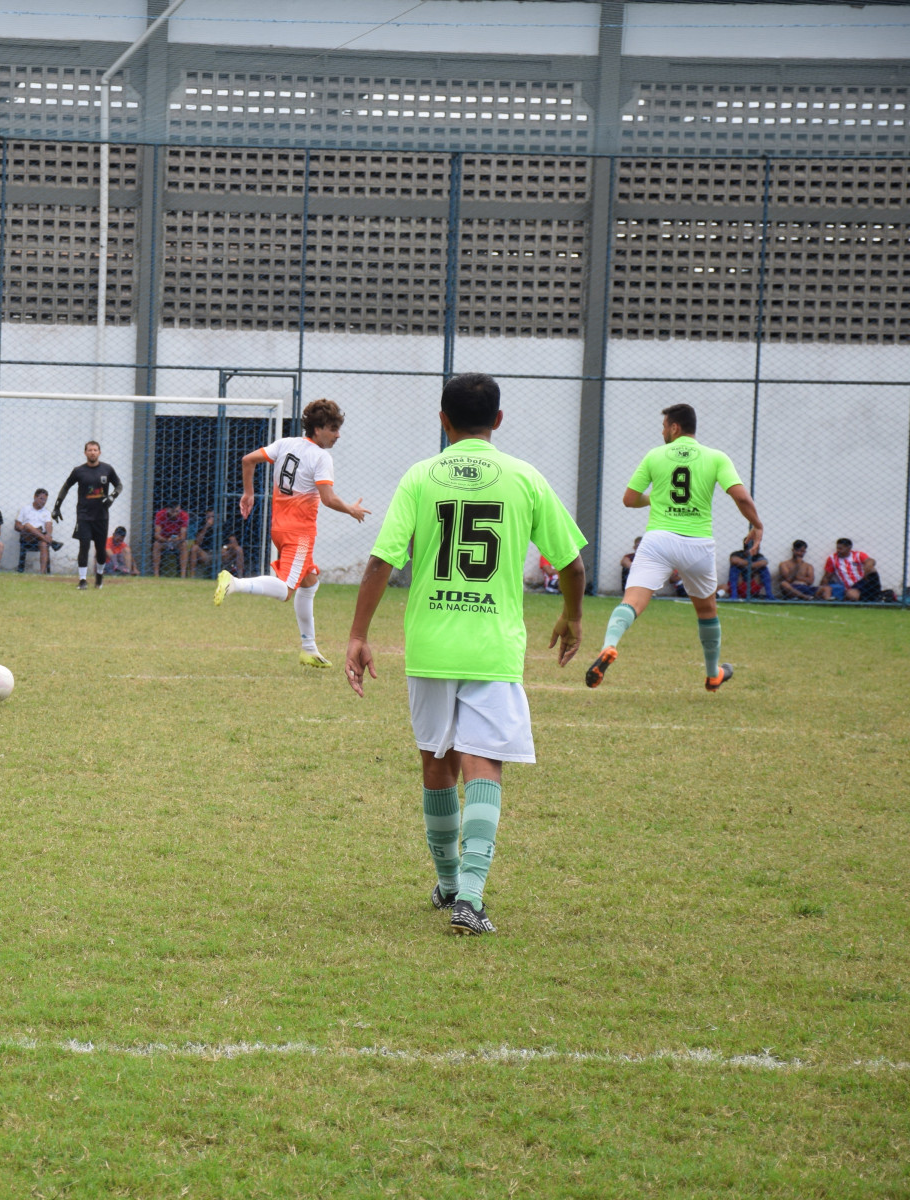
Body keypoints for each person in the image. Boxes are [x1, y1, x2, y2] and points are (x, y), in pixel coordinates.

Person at [345, 372, 586, 936]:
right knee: (484, 762)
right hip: (491, 647)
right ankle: (469, 899)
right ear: (498, 421)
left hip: (430, 644)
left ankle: (449, 881)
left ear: (442, 419)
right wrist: (573, 616)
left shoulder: (421, 476)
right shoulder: (525, 477)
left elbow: (384, 560)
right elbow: (572, 563)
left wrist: (358, 632)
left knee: (437, 761)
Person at [586, 403, 762, 693]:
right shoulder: (716, 457)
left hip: (658, 541)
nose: (662, 431)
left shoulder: (655, 456)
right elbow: (741, 496)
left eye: (664, 426)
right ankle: (712, 674)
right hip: (698, 544)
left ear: (675, 428)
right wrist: (757, 524)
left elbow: (629, 499)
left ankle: (609, 646)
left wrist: (653, 499)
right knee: (707, 610)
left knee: (632, 601)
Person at [214, 398, 370, 668]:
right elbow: (328, 499)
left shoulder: (285, 443)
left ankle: (308, 649)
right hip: (300, 534)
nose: (338, 435)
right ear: (318, 429)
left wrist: (248, 493)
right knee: (287, 590)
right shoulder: (321, 457)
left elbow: (247, 460)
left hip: (279, 528)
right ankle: (235, 583)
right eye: (333, 428)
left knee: (309, 583)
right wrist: (351, 509)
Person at [53, 441, 122, 589]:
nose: (92, 452)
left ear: (99, 452)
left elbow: (119, 485)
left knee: (100, 549)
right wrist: (57, 507)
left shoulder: (107, 469)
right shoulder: (79, 471)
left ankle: (99, 577)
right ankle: (82, 580)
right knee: (84, 546)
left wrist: (112, 497)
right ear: (85, 453)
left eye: (95, 450)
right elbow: (65, 487)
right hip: (84, 515)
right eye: (89, 450)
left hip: (101, 516)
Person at [14, 488, 61, 574]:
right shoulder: (25, 509)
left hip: (40, 538)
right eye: (41, 499)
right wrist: (27, 529)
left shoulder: (46, 512)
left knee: (44, 544)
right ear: (35, 497)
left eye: (45, 500)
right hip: (27, 536)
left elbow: (49, 525)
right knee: (28, 525)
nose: (43, 502)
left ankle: (42, 573)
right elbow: (17, 526)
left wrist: (49, 534)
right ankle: (51, 542)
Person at [819, 538, 882, 602]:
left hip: (863, 582)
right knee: (852, 595)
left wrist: (867, 566)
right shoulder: (832, 559)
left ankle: (876, 596)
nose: (838, 550)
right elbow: (827, 577)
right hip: (851, 587)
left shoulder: (858, 555)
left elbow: (871, 561)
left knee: (872, 569)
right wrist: (821, 588)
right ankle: (874, 600)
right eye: (837, 548)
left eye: (841, 549)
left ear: (849, 548)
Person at [728, 532, 771, 599]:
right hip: (740, 584)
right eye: (757, 546)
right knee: (734, 568)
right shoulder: (738, 554)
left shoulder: (758, 556)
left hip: (753, 584)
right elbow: (734, 560)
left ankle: (769, 595)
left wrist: (744, 564)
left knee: (764, 569)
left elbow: (764, 562)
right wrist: (752, 564)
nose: (759, 547)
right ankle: (734, 595)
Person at [179, 508, 219, 578]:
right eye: (208, 517)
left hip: (220, 553)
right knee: (194, 547)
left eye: (212, 517)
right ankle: (192, 576)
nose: (210, 519)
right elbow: (197, 542)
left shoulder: (223, 525)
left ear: (217, 516)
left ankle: (240, 575)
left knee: (238, 549)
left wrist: (226, 547)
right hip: (205, 554)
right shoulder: (202, 525)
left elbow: (233, 541)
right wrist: (206, 527)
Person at [151, 502, 190, 575]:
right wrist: (166, 540)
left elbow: (183, 536)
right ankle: (156, 574)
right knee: (156, 545)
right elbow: (157, 535)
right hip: (164, 540)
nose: (175, 514)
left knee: (184, 545)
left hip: (177, 541)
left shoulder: (184, 515)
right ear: (167, 510)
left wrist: (177, 539)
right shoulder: (160, 514)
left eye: (177, 511)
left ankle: (183, 575)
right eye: (173, 511)